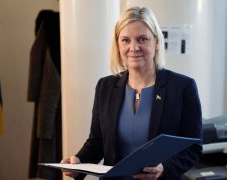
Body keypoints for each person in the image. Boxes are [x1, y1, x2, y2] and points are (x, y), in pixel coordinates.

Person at [61, 6, 202, 180]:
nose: (134, 48)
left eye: (142, 39)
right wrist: (78, 162)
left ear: (156, 42)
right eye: (126, 40)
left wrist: (164, 169)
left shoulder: (182, 87)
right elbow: (97, 141)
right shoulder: (105, 86)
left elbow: (193, 147)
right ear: (118, 44)